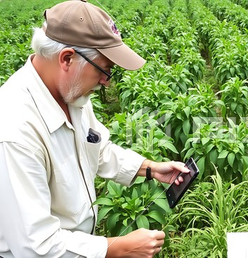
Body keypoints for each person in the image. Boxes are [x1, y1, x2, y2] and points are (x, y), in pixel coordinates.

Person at [0, 0, 190, 258]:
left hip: (76, 249)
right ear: (67, 58)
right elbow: (35, 248)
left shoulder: (71, 93)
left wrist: (150, 169)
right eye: (105, 69)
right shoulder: (15, 131)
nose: (106, 82)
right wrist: (115, 247)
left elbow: (97, 148)